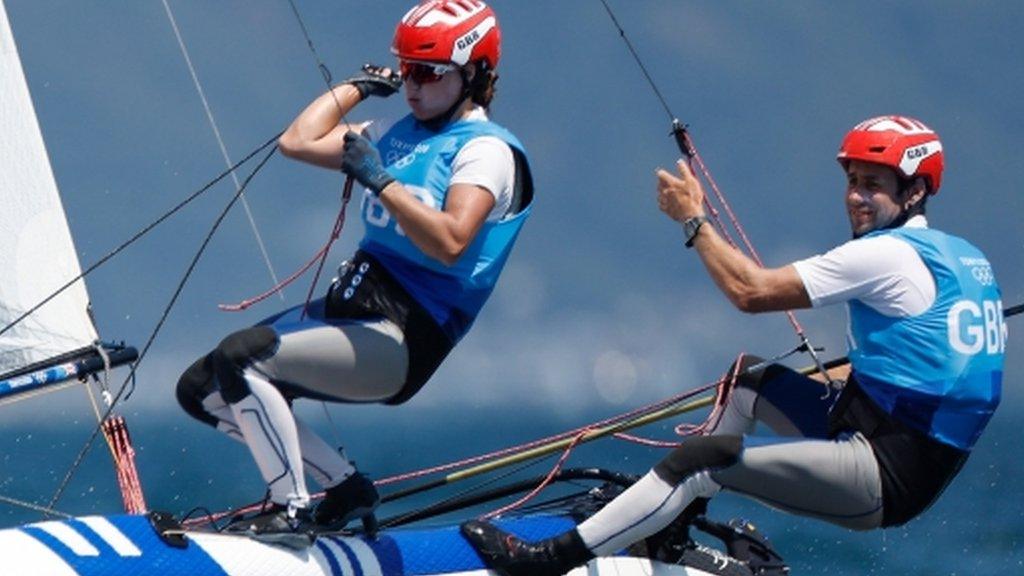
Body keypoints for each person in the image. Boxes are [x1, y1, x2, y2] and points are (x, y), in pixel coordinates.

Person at [461, 115, 1006, 575]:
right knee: (749, 379)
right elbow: (938, 375)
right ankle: (667, 530)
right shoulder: (964, 258)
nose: (857, 198)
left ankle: (543, 561)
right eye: (853, 180)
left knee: (703, 458)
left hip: (882, 474)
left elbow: (750, 291)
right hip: (890, 445)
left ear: (915, 191)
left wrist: (693, 220)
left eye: (874, 185)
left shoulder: (885, 256)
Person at [176, 0, 533, 535]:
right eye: (407, 68)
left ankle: (289, 509)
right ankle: (344, 488)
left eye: (428, 72)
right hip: (351, 310)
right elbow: (296, 142)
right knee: (201, 387)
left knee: (241, 360)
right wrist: (360, 86)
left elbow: (452, 241)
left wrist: (381, 182)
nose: (413, 85)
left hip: (404, 337)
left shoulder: (485, 152)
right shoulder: (396, 130)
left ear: (475, 74)